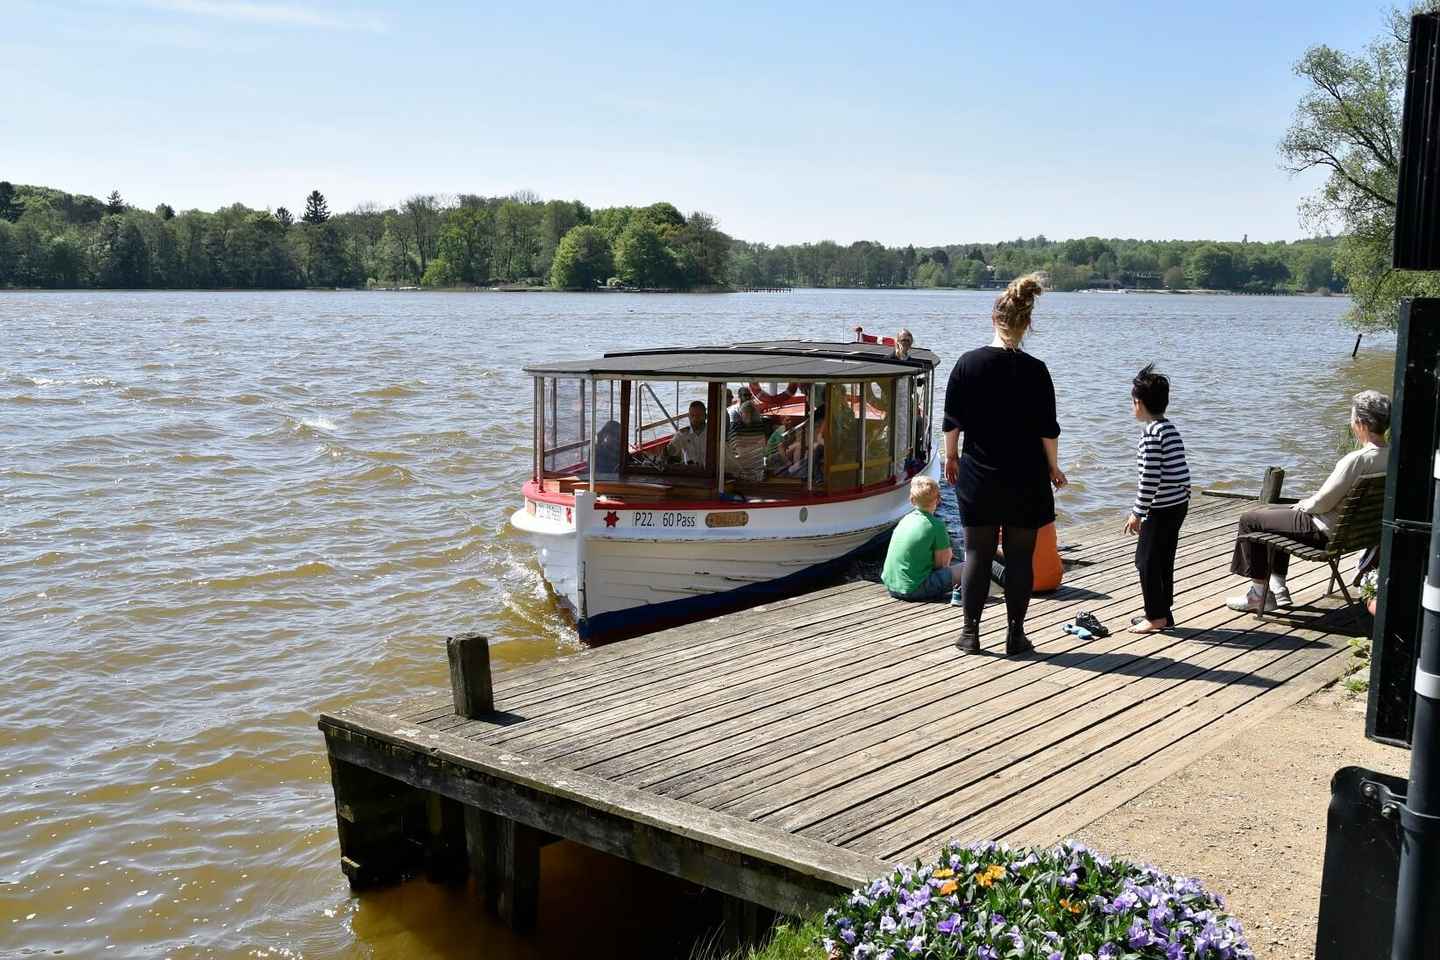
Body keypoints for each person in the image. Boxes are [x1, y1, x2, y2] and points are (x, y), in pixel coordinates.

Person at [943, 274, 1067, 655]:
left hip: (979, 475)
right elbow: (1048, 430)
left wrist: (951, 456)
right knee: (1019, 557)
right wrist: (1053, 467)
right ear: (1027, 323)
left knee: (977, 554)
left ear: (993, 318)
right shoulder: (1037, 371)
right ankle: (1015, 635)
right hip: (1026, 478)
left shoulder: (967, 364)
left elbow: (951, 423)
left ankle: (970, 633)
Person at [1226, 390, 1390, 612]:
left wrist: (1304, 504)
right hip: (1357, 533)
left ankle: (1258, 595)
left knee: (1250, 519)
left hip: (1324, 532)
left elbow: (1322, 503)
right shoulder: (1393, 455)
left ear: (1361, 423)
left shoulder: (1357, 460)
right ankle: (1278, 588)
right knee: (1271, 512)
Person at [1123, 364, 1191, 633]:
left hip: (1160, 508)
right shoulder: (1169, 428)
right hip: (1177, 504)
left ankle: (1156, 617)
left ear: (1139, 403)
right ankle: (1163, 612)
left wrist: (1137, 512)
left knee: (1146, 561)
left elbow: (1150, 478)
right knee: (1163, 558)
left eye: (1132, 402)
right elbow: (1180, 469)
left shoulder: (1150, 435)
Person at [882, 476, 964, 602]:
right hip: (914, 590)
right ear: (938, 500)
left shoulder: (904, 520)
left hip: (892, 588)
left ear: (911, 500)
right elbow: (941, 565)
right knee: (971, 566)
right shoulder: (936, 526)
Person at [666, 400, 708, 466]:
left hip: (709, 470)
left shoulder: (712, 433)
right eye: (692, 416)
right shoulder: (682, 434)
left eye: (698, 416)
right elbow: (668, 452)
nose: (695, 419)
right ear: (689, 417)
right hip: (689, 470)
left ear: (705, 416)